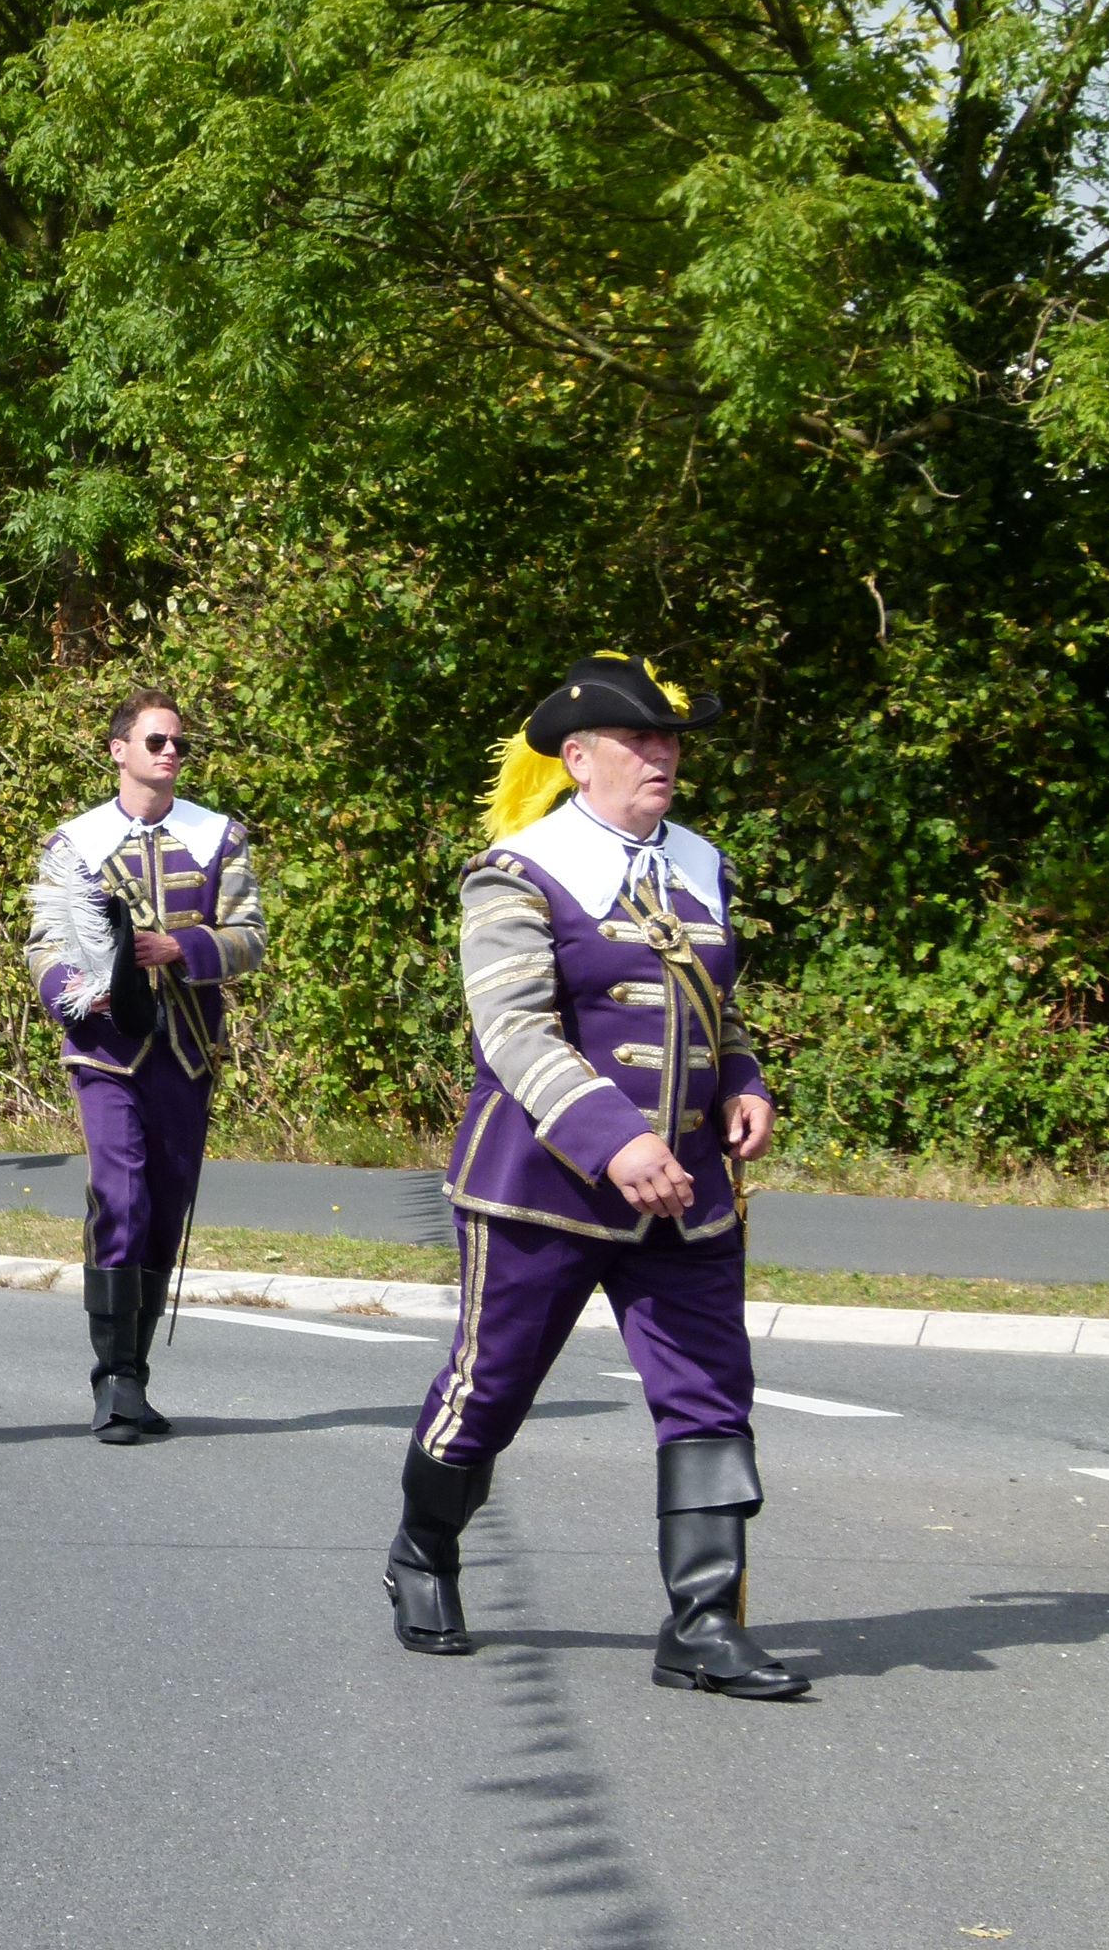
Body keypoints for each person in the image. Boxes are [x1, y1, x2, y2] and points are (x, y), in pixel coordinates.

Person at [382, 653, 804, 1701]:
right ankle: (423, 1552)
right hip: (545, 1187)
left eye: (669, 739)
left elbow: (715, 1008)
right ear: (577, 757)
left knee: (710, 1396)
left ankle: (703, 1623)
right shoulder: (517, 870)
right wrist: (615, 1138)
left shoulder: (700, 862)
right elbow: (513, 1029)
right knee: (490, 1388)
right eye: (639, 739)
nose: (663, 754)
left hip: (687, 1191)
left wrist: (744, 1080)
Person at [23, 689, 266, 1444]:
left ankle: (136, 1376)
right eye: (156, 741)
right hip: (105, 1049)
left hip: (187, 1051)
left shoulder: (218, 837)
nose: (170, 754)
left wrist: (181, 948)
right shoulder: (75, 843)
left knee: (164, 1210)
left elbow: (250, 937)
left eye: (178, 744)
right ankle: (114, 1382)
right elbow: (43, 945)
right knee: (120, 1197)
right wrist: (76, 992)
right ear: (118, 750)